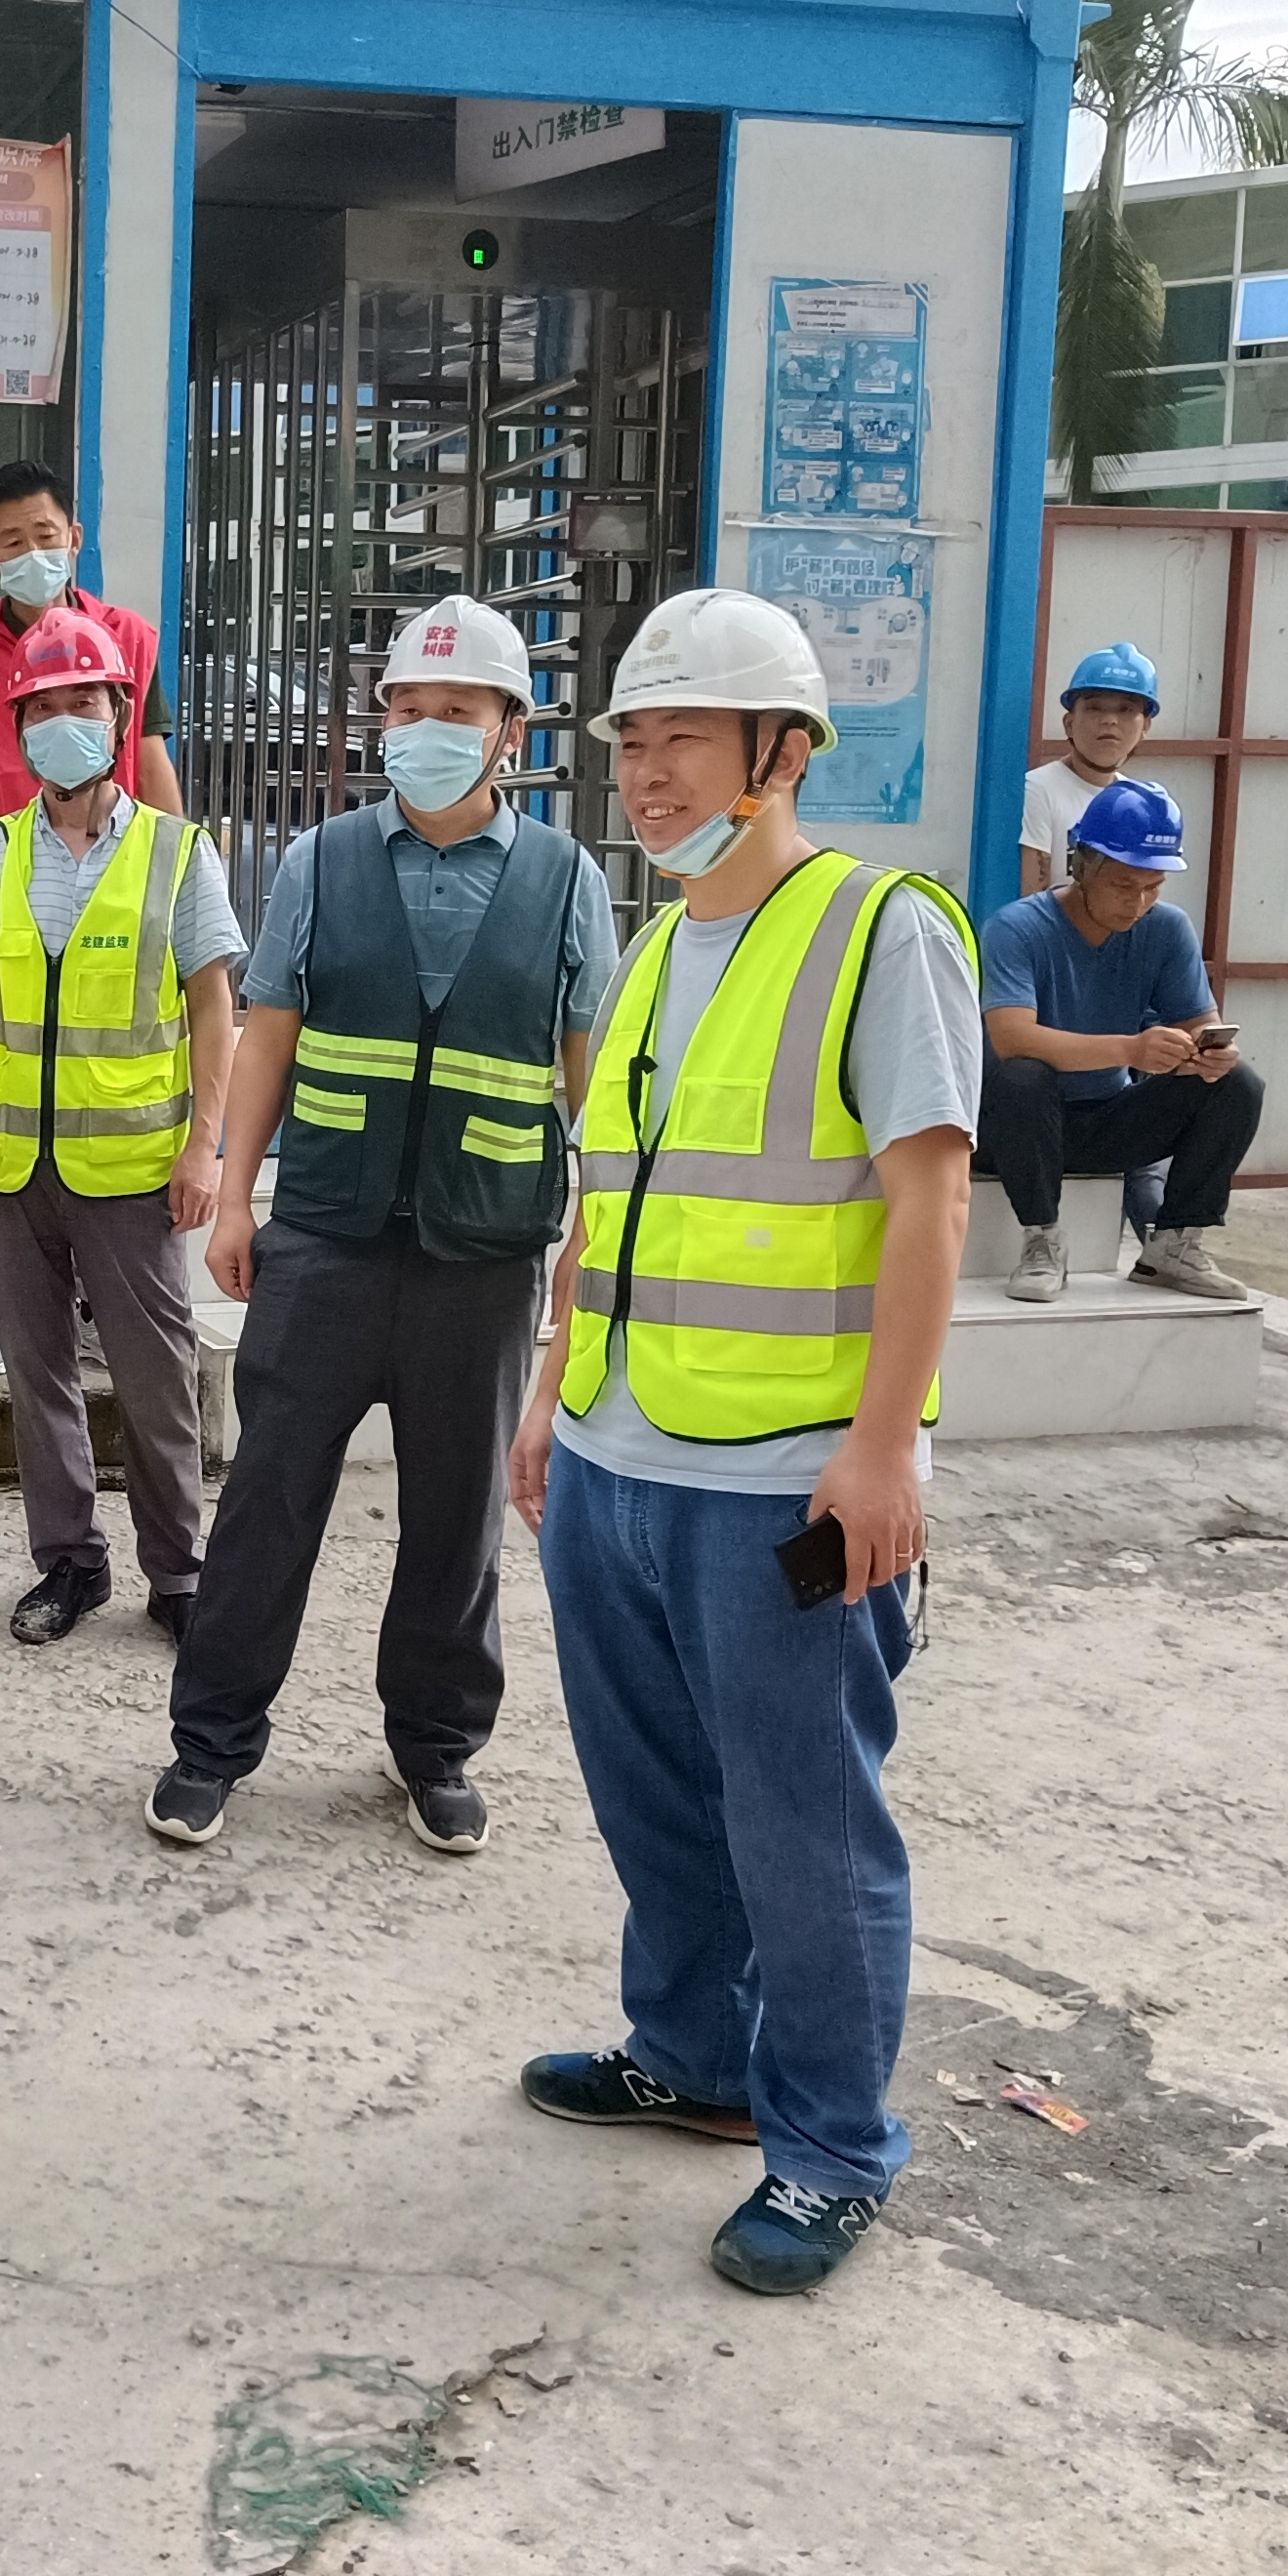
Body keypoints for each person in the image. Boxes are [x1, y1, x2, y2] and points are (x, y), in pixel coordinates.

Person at [508, 585, 977, 2303]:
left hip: (784, 1474)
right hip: (619, 1456)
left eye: (682, 739)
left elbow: (930, 1205)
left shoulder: (880, 930)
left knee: (804, 1828)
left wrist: (885, 1450)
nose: (645, 772)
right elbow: (610, 1197)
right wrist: (556, 1393)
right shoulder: (656, 947)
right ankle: (694, 2059)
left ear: (782, 751)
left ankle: (834, 2149)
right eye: (631, 740)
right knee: (651, 1796)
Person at [148, 594, 616, 1860]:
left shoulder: (568, 881)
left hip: (487, 1252)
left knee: (457, 1520)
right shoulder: (323, 860)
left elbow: (596, 1085)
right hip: (327, 1238)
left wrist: (587, 1247)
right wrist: (234, 1195)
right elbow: (269, 1036)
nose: (425, 729)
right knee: (267, 1502)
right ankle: (209, 1745)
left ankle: (437, 1748)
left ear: (510, 731)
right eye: (407, 708)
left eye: (456, 711)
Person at [0, 608, 245, 1647]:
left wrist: (205, 1147)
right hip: (2, 1167)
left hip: (134, 1169)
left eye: (83, 701)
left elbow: (214, 1008)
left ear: (119, 714)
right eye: (42, 706)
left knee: (156, 1378)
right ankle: (69, 1563)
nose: (63, 721)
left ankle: (178, 1573)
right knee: (37, 1373)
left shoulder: (178, 855)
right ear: (17, 729)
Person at [979, 776, 1262, 1304]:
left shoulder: (1167, 928)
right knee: (1022, 1076)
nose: (1138, 903)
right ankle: (1042, 1242)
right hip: (1013, 1129)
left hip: (1106, 1118)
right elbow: (1011, 1037)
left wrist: (1207, 1055)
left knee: (1238, 1083)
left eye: (1153, 887)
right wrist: (1132, 1050)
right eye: (1124, 886)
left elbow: (1200, 1022)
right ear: (1080, 866)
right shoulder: (1016, 928)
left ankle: (1173, 1246)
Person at [0, 459, 188, 835]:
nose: (32, 552)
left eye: (46, 536)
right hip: (17, 863)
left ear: (74, 539)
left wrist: (174, 857)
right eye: (14, 542)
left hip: (121, 856)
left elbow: (151, 766)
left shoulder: (128, 637)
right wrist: (7, 860)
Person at [1021, 642, 1161, 895]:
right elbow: (1029, 906)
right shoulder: (1037, 790)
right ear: (1069, 723)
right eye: (1095, 707)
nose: (1110, 720)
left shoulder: (1138, 803)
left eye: (1126, 709)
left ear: (1145, 727)